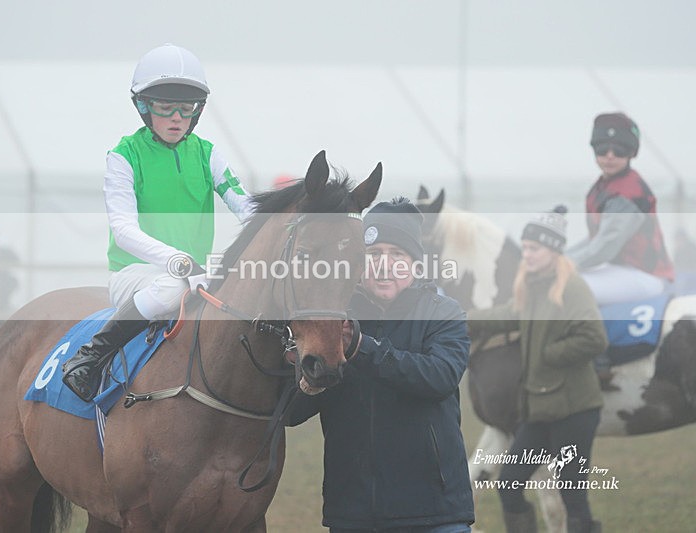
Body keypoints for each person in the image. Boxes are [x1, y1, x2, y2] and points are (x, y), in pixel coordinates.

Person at [62, 43, 252, 402]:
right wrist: (174, 260)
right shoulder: (123, 156)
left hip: (195, 276)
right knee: (172, 287)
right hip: (135, 275)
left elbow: (245, 205)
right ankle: (90, 357)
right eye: (166, 107)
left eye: (186, 108)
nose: (177, 118)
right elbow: (124, 230)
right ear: (144, 107)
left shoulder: (208, 154)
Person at [288, 198, 474, 533]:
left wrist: (363, 349)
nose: (384, 265)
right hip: (355, 512)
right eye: (374, 255)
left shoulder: (443, 313)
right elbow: (290, 413)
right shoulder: (334, 320)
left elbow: (439, 377)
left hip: (435, 511)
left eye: (397, 255)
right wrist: (310, 377)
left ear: (416, 265)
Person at [469, 207, 607, 533]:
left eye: (534, 248)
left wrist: (549, 353)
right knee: (509, 485)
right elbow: (508, 313)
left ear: (553, 251)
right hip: (539, 411)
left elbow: (595, 337)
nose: (526, 254)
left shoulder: (572, 287)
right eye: (525, 247)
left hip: (575, 411)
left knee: (573, 497)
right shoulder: (531, 286)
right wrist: (462, 318)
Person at [567, 112, 674, 306]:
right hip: (619, 271)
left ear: (632, 153)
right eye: (602, 148)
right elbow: (595, 240)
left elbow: (605, 247)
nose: (610, 155)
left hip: (644, 276)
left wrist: (559, 264)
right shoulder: (601, 186)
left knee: (564, 288)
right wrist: (557, 256)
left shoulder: (628, 192)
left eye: (619, 150)